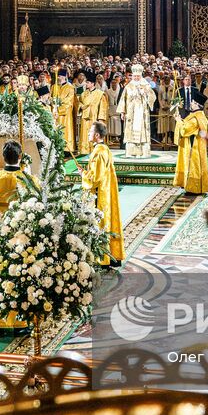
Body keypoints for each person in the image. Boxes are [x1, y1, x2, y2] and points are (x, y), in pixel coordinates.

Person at [81, 122, 123, 265]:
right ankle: (111, 255)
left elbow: (95, 179)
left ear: (97, 135)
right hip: (106, 191)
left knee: (100, 222)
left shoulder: (98, 153)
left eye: (90, 131)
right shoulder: (105, 150)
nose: (88, 134)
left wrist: (84, 176)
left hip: (100, 194)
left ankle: (102, 259)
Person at [173, 93, 208, 195]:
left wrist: (178, 121)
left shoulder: (195, 119)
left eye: (193, 103)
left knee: (192, 166)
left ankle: (193, 188)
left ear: (197, 105)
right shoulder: (199, 116)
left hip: (193, 147)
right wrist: (181, 119)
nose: (191, 104)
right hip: (196, 146)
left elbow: (185, 130)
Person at [117, 64, 156, 158]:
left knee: (142, 131)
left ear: (141, 75)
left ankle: (143, 152)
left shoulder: (146, 85)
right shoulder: (128, 86)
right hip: (131, 113)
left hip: (141, 112)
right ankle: (131, 152)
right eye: (134, 76)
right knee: (131, 131)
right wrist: (122, 112)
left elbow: (152, 97)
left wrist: (145, 93)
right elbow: (123, 99)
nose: (136, 77)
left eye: (138, 76)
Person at [77, 73, 110, 156]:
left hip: (94, 118)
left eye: (87, 82)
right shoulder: (83, 94)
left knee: (94, 134)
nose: (86, 84)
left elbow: (103, 108)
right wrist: (82, 106)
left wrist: (100, 120)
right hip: (85, 118)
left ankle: (95, 150)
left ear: (92, 83)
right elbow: (79, 103)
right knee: (85, 135)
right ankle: (84, 151)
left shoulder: (100, 94)